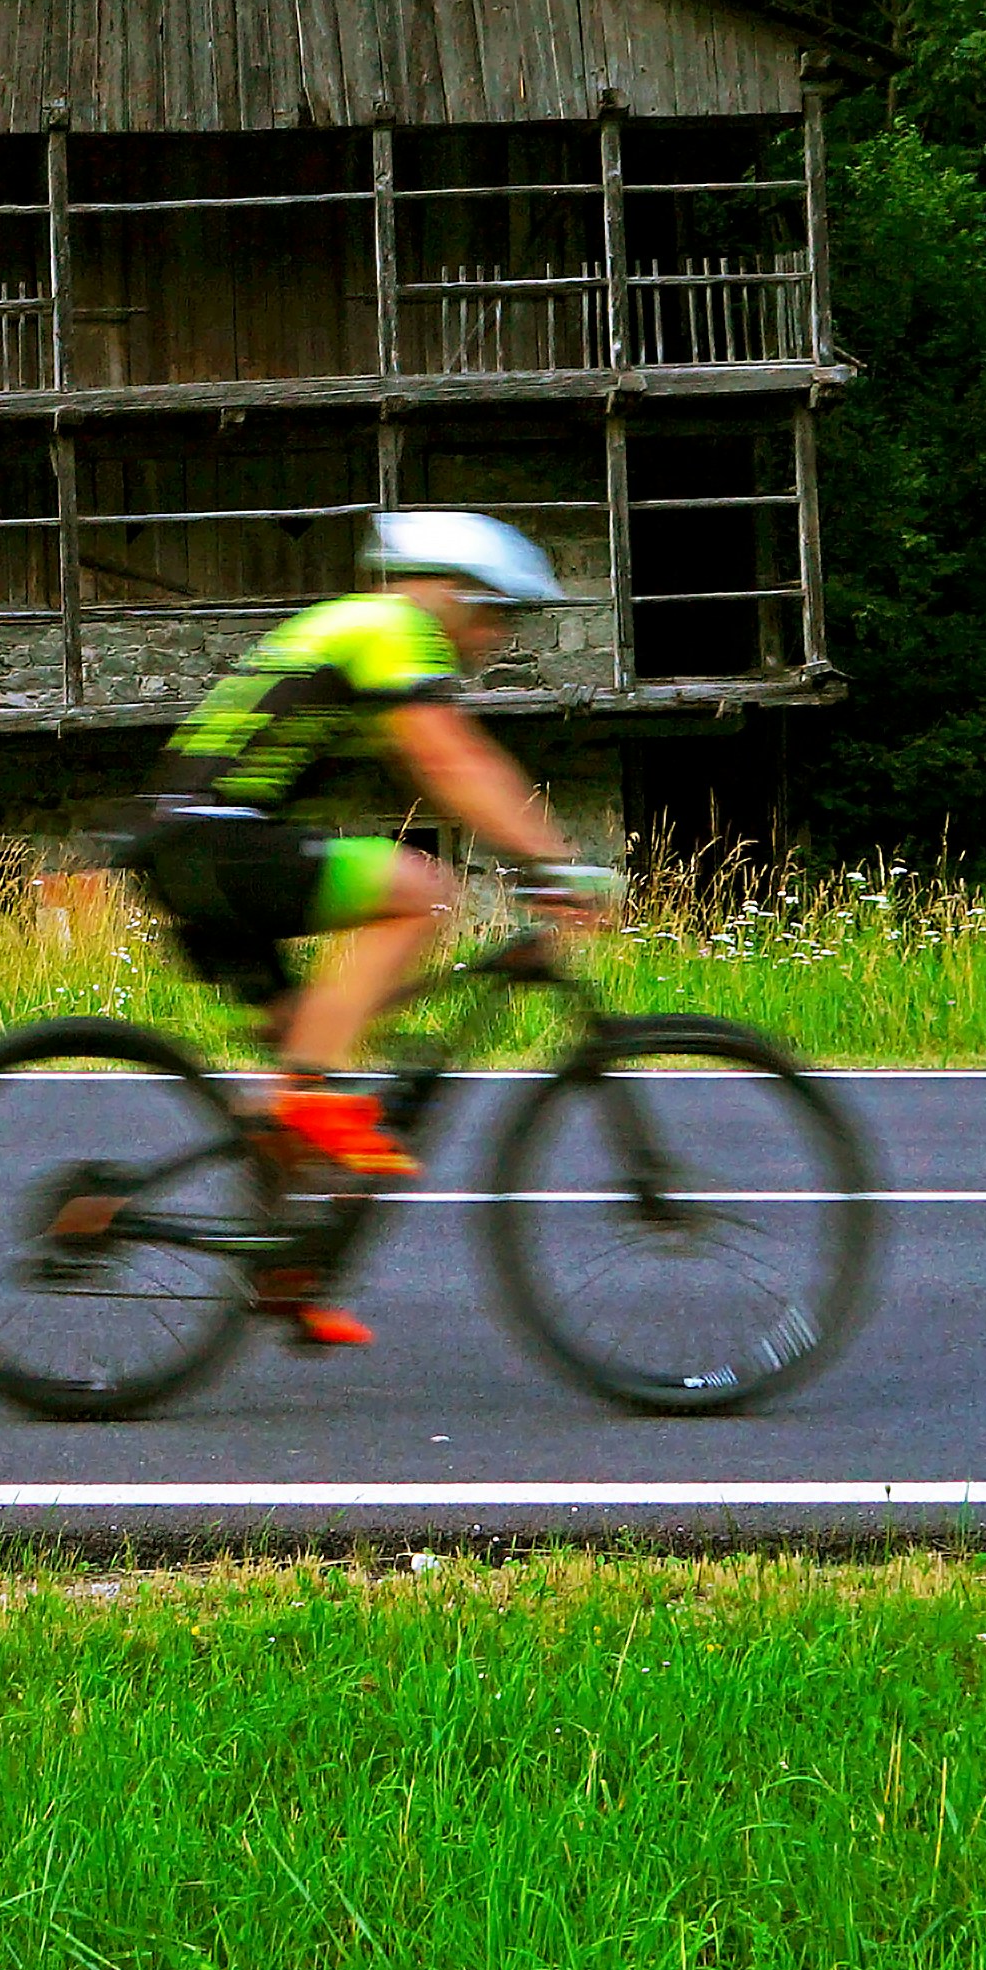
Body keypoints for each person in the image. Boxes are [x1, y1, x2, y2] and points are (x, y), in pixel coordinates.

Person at [128, 509, 618, 1348]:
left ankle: (286, 1268)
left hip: (189, 848)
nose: (497, 634)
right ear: (447, 591)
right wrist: (554, 862)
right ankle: (312, 1097)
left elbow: (437, 756)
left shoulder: (363, 632)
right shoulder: (394, 625)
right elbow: (452, 762)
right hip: (216, 840)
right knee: (420, 891)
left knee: (301, 1083)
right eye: (494, 611)